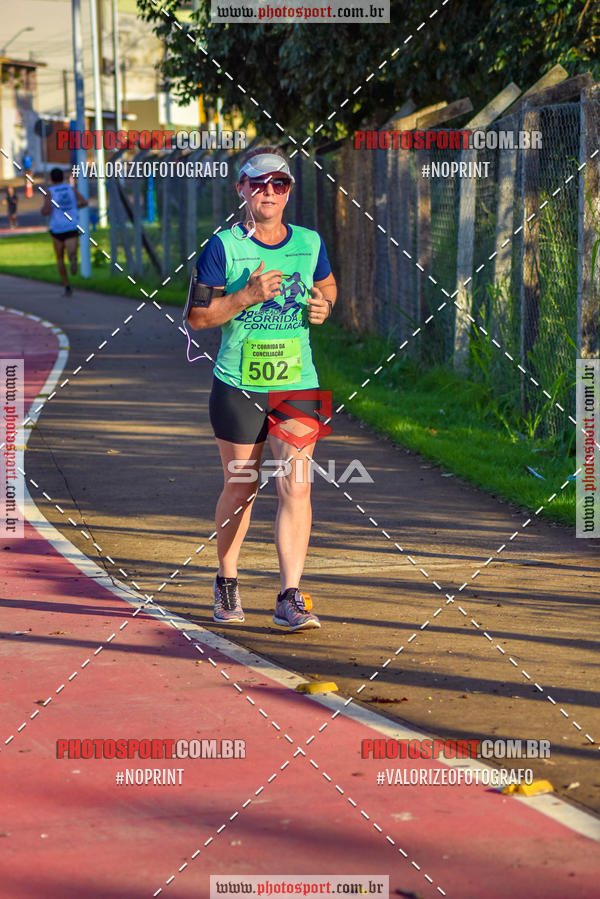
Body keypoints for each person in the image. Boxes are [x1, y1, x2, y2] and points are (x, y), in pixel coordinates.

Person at [187, 145, 337, 631]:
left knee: (296, 484)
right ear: (242, 190)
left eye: (280, 184)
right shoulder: (223, 248)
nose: (269, 192)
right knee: (242, 485)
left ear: (289, 190)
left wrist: (324, 306)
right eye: (259, 183)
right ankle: (227, 579)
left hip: (298, 381)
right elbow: (196, 317)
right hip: (238, 385)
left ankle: (289, 595)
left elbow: (329, 287)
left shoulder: (310, 243)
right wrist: (247, 295)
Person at [41, 168, 87, 296]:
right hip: (71, 225)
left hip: (57, 228)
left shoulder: (49, 192)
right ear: (63, 177)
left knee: (60, 258)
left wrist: (45, 211)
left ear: (51, 178)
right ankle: (73, 258)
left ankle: (67, 286)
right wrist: (74, 209)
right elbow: (84, 202)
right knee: (71, 252)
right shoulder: (71, 189)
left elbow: (47, 210)